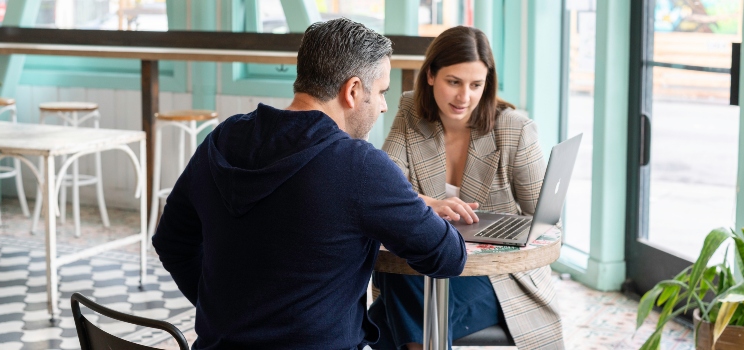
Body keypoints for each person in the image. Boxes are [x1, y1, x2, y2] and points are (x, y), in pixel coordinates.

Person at [151, 18, 468, 350]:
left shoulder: (224, 138)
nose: (384, 105)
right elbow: (448, 256)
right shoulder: (359, 165)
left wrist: (224, 317)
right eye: (381, 92)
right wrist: (416, 204)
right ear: (353, 90)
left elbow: (171, 241)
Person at [369, 26, 564, 350]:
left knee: (380, 319)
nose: (464, 97)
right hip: (424, 268)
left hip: (497, 278)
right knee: (407, 278)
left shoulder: (515, 129)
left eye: (476, 85)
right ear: (430, 75)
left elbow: (548, 225)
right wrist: (426, 203)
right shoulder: (410, 111)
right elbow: (383, 189)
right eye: (454, 82)